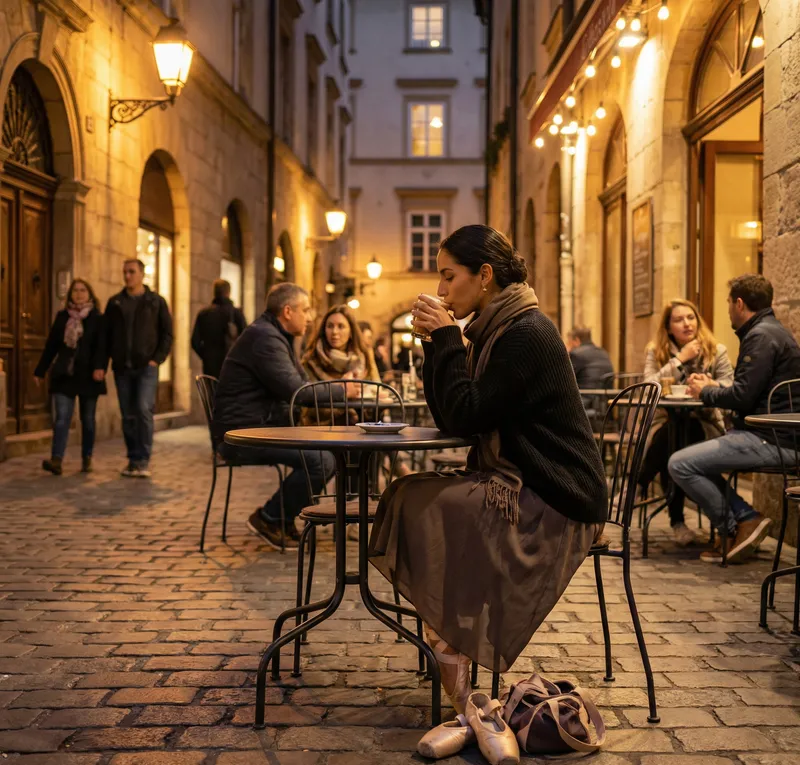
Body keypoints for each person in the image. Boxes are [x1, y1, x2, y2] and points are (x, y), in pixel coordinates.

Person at [369, 224, 607, 714]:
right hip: (520, 478)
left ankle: (448, 644)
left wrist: (445, 339)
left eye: (448, 275)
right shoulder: (493, 330)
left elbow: (466, 416)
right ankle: (449, 639)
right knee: (411, 494)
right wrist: (437, 344)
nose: (440, 288)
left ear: (484, 275)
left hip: (557, 492)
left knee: (421, 502)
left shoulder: (525, 333)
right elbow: (451, 415)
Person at [669, 275, 800, 564]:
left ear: (739, 303)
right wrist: (715, 386)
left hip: (771, 439)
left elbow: (741, 397)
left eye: (729, 303)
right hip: (772, 434)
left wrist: (705, 392)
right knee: (693, 459)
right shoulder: (770, 331)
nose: (728, 309)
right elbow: (750, 390)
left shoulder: (760, 336)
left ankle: (738, 524)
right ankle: (741, 520)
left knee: (680, 464)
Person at [214, 283, 353, 550]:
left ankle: (282, 519)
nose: (310, 318)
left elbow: (301, 384)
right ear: (288, 311)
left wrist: (338, 389)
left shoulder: (276, 335)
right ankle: (270, 518)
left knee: (330, 453)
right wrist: (344, 390)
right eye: (306, 310)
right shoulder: (266, 338)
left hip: (260, 427)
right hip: (242, 435)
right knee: (322, 460)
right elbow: (298, 392)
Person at [641, 299, 734, 545]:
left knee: (678, 437)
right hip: (665, 422)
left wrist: (711, 384)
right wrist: (679, 359)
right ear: (668, 327)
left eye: (691, 318)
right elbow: (648, 387)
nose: (686, 324)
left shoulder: (716, 350)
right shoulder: (657, 351)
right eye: (679, 320)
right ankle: (678, 521)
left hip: (707, 424)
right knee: (674, 436)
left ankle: (639, 485)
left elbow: (731, 386)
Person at [105, 258, 173, 478]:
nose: (127, 276)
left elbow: (167, 333)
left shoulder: (156, 301)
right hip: (122, 368)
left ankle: (143, 460)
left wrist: (157, 359)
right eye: (125, 272)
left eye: (132, 272)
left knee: (143, 409)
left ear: (142, 274)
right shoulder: (115, 303)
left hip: (147, 367)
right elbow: (106, 336)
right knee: (128, 414)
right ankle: (133, 459)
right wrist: (102, 364)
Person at [34, 279, 107, 475]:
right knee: (62, 418)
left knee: (88, 419)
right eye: (75, 290)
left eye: (83, 290)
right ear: (70, 294)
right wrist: (40, 370)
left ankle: (87, 458)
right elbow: (51, 345)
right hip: (65, 374)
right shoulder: (62, 317)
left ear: (90, 294)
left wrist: (100, 367)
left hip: (89, 376)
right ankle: (56, 460)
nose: (79, 294)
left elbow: (102, 347)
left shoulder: (97, 318)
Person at [191, 279, 246, 378]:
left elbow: (195, 341)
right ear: (228, 292)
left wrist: (206, 356)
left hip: (210, 366)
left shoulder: (204, 314)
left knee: (211, 387)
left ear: (214, 292)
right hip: (231, 364)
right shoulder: (236, 313)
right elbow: (246, 340)